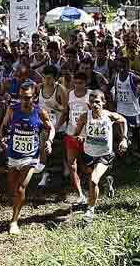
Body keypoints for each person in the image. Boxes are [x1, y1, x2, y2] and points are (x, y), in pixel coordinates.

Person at [0, 81, 54, 234]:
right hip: (13, 155)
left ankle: (14, 221)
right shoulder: (12, 109)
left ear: (34, 97)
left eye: (28, 97)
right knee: (12, 188)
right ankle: (18, 205)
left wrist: (49, 141)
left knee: (19, 188)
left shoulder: (40, 112)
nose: (25, 100)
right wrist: (2, 139)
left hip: (30, 157)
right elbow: (3, 126)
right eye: (22, 97)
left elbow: (51, 128)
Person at [72, 90, 128, 223]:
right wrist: (78, 137)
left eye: (97, 102)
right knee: (93, 178)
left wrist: (124, 138)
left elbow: (123, 120)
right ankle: (108, 181)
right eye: (92, 102)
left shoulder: (109, 116)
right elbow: (76, 134)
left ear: (103, 102)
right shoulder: (85, 117)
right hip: (89, 154)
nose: (94, 105)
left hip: (105, 155)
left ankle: (90, 210)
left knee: (93, 180)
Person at [56, 72, 90, 205]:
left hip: (88, 136)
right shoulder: (69, 94)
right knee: (72, 165)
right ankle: (80, 194)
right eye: (75, 83)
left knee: (89, 167)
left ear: (86, 83)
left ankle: (92, 188)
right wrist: (58, 126)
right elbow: (66, 112)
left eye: (80, 83)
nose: (77, 86)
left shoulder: (91, 95)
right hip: (71, 134)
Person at [37, 65, 68, 187]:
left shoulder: (60, 89)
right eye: (45, 77)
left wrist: (56, 126)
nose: (47, 80)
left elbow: (66, 111)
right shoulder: (39, 87)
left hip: (58, 123)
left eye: (50, 78)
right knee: (42, 140)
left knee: (46, 137)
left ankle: (66, 166)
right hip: (43, 123)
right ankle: (44, 172)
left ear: (55, 78)